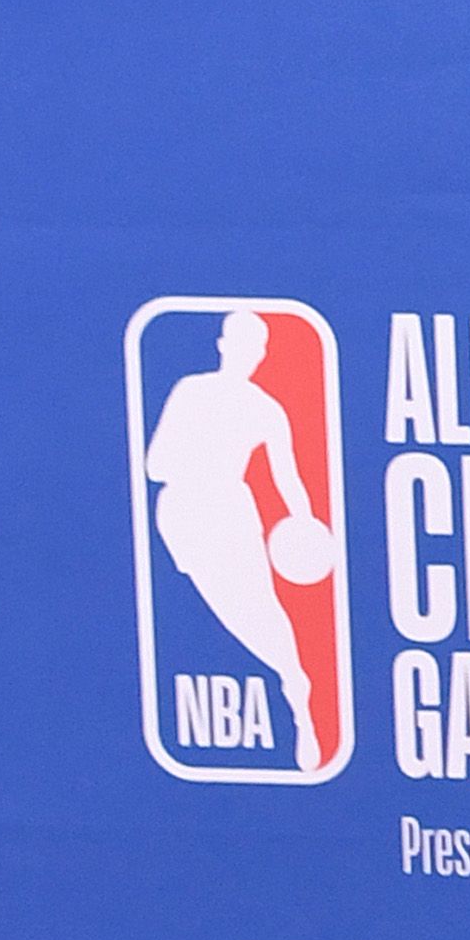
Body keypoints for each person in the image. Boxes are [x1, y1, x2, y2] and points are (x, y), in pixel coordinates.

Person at [143, 308, 328, 754]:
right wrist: (200, 461)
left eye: (256, 347)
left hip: (231, 511)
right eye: (239, 343)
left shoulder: (267, 409)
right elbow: (155, 464)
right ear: (223, 345)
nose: (248, 353)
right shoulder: (190, 391)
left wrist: (303, 522)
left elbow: (289, 478)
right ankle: (290, 678)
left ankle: (297, 689)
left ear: (262, 354)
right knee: (223, 610)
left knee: (258, 605)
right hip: (181, 512)